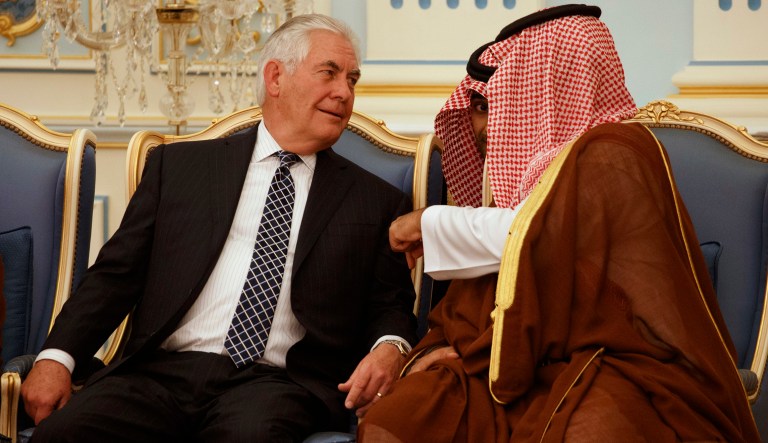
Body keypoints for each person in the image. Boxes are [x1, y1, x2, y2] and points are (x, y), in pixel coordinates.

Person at [359, 5, 760, 442]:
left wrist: (428, 222)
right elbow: (513, 249)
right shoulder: (540, 180)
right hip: (508, 358)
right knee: (399, 419)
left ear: (543, 86)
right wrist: (449, 347)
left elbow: (534, 237)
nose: (484, 125)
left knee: (591, 429)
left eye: (489, 104)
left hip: (613, 361)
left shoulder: (615, 152)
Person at [21, 14, 418, 442]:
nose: (344, 92)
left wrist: (390, 348)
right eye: (329, 73)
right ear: (276, 77)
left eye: (352, 80)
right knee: (64, 435)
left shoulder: (375, 200)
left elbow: (389, 304)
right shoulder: (180, 168)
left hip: (277, 383)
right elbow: (115, 275)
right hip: (158, 374)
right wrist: (56, 358)